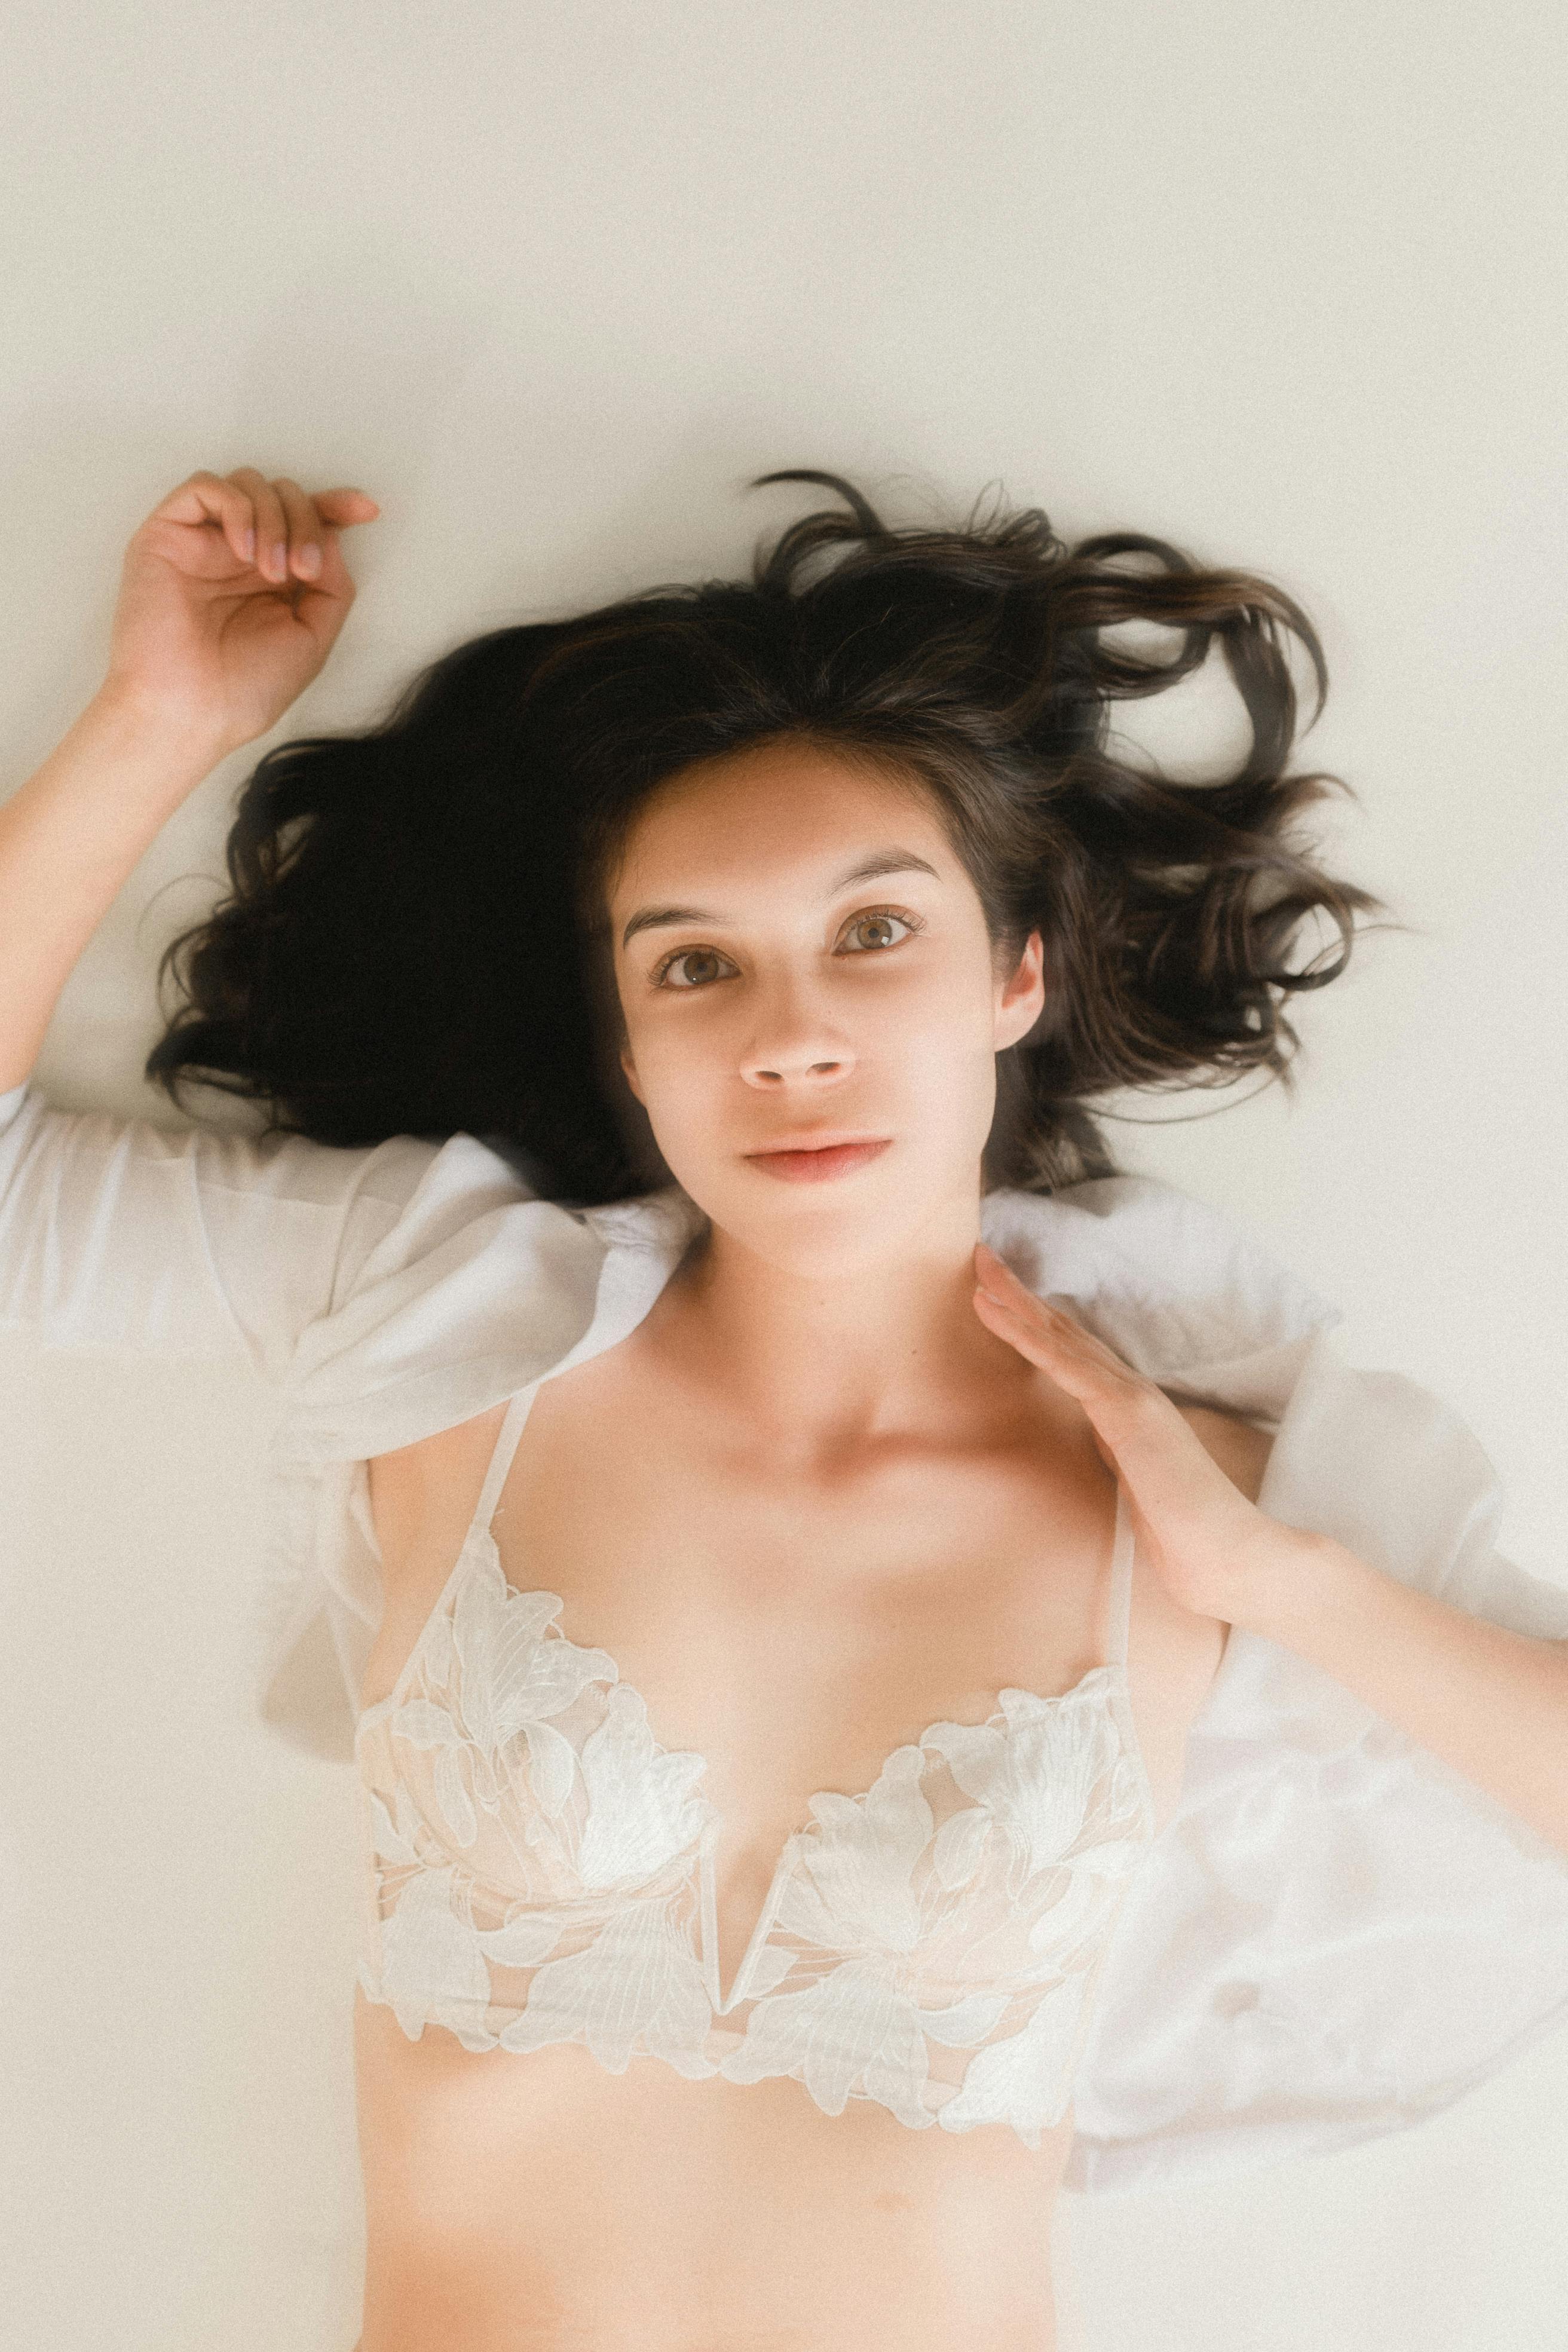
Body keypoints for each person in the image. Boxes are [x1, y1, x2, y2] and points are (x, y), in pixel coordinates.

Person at [2, 464, 1565, 2352]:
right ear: (634, 1042)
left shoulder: (1208, 1504)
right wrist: (161, 715)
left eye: (876, 931)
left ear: (1015, 973)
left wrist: (1285, 1580)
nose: (790, 1033)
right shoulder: (458, 1333)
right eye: (695, 964)